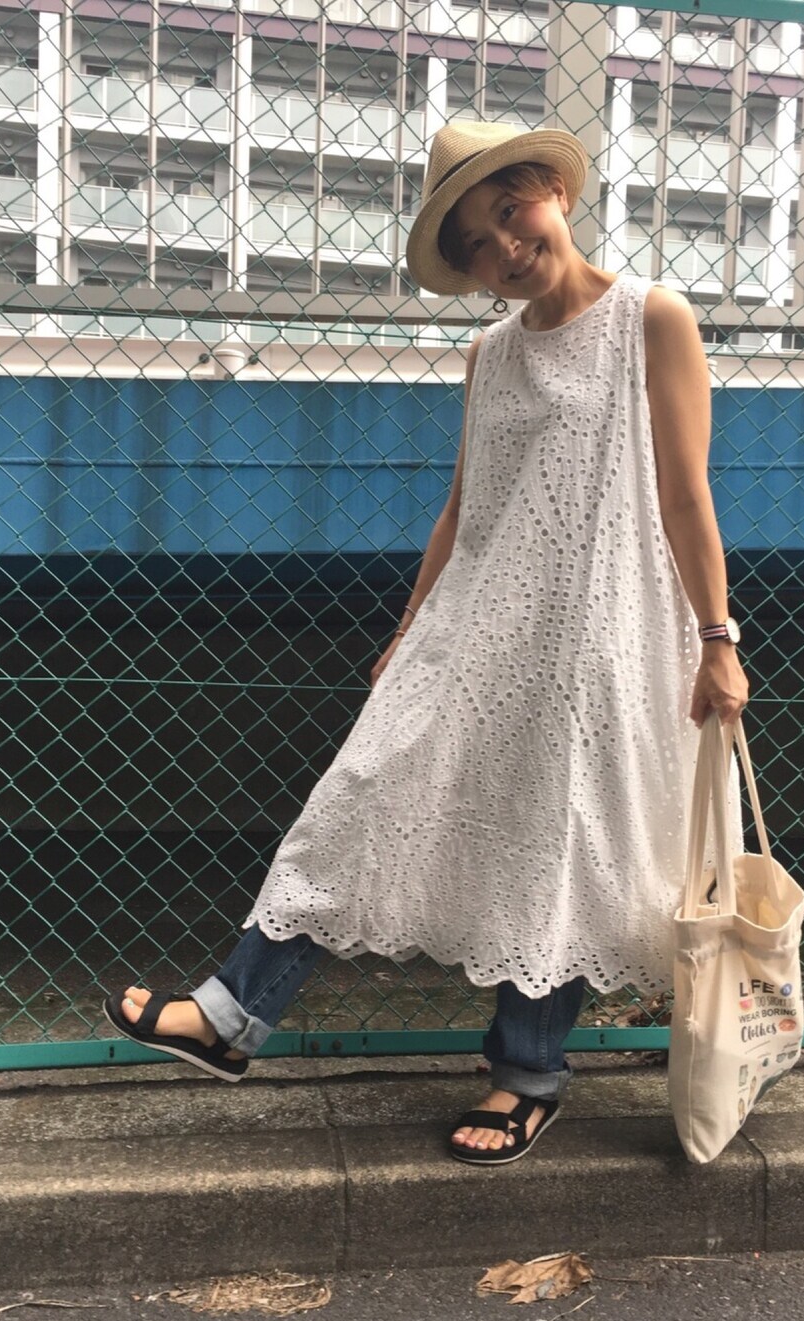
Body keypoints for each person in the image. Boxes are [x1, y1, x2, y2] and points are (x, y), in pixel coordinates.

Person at [104, 119, 749, 1166]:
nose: (505, 248)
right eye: (475, 245)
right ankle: (230, 1015)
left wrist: (717, 638)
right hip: (476, 625)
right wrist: (408, 632)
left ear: (554, 194)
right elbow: (464, 506)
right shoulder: (490, 352)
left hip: (599, 632)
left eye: (510, 212)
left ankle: (526, 1075)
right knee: (362, 794)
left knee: (556, 842)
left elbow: (685, 494)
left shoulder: (651, 317)